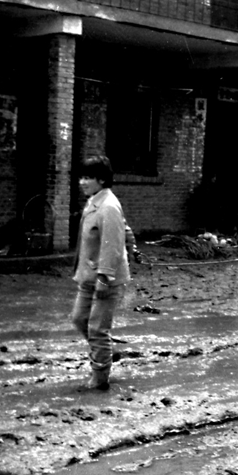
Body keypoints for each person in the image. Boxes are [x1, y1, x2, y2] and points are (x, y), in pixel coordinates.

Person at [71, 156, 140, 390]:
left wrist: (105, 276)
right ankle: (107, 351)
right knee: (79, 318)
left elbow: (111, 244)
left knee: (97, 327)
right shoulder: (94, 202)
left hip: (104, 278)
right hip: (87, 275)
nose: (82, 182)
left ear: (102, 180)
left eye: (88, 178)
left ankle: (100, 377)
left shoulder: (108, 205)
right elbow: (123, 227)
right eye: (81, 177)